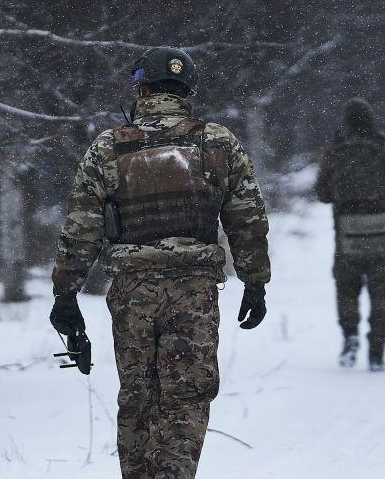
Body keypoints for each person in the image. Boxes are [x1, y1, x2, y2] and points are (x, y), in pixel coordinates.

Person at [49, 47, 271, 478]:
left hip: (133, 292)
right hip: (195, 291)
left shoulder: (108, 147)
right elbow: (247, 218)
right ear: (187, 91)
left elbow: (80, 227)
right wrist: (255, 282)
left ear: (142, 88)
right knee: (187, 397)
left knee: (138, 396)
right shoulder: (217, 142)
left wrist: (65, 294)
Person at [314, 98, 385, 372]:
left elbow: (323, 194)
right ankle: (377, 351)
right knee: (381, 294)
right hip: (381, 233)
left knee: (347, 290)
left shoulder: (335, 151)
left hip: (347, 234)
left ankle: (350, 337)